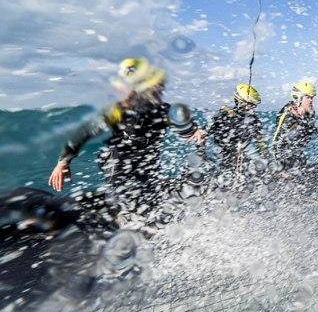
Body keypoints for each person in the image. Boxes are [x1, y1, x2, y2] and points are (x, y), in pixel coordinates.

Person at [48, 58, 205, 212]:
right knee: (123, 199)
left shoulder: (162, 111)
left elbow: (179, 121)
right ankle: (117, 212)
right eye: (156, 86)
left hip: (146, 164)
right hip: (118, 163)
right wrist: (63, 161)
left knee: (151, 199)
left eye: (161, 86)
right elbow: (84, 132)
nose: (161, 89)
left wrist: (194, 131)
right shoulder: (117, 111)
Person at [207, 83, 267, 179]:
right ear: (239, 101)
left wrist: (265, 157)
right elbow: (207, 130)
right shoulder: (224, 115)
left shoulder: (253, 119)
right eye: (248, 104)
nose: (250, 108)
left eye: (253, 105)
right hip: (223, 156)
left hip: (242, 156)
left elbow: (260, 140)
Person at [271, 80, 318, 172]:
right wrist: (280, 168)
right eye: (307, 97)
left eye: (312, 97)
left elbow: (311, 127)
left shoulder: (310, 113)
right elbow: (276, 142)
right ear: (298, 98)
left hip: (298, 154)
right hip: (285, 157)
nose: (311, 100)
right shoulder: (287, 116)